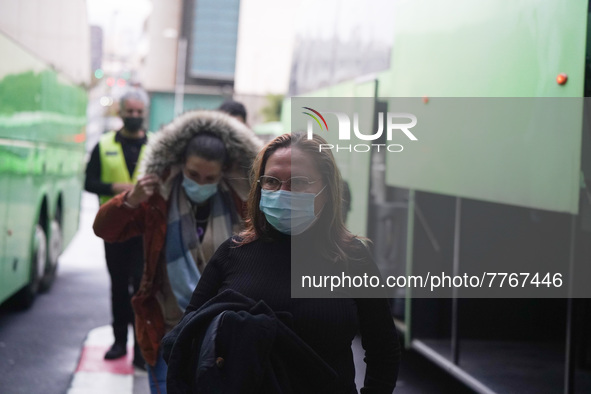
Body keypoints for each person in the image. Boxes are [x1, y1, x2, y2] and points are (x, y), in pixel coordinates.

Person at [181, 132, 401, 392]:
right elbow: (187, 337)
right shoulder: (232, 253)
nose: (282, 192)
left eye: (298, 182)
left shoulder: (352, 258)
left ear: (327, 189)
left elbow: (384, 349)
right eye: (272, 181)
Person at [93, 110, 261, 394]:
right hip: (165, 328)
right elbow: (105, 229)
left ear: (223, 173)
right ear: (181, 163)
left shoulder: (240, 201)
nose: (201, 183)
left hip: (222, 332)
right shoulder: (159, 198)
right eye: (193, 174)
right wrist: (131, 200)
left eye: (210, 177)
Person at [84, 89, 149, 367]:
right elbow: (89, 182)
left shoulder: (156, 145)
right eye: (129, 111)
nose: (134, 116)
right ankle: (120, 342)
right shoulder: (104, 144)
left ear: (144, 113)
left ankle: (140, 350)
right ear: (121, 112)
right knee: (118, 287)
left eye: (138, 112)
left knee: (141, 289)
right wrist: (115, 188)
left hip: (145, 230)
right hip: (114, 228)